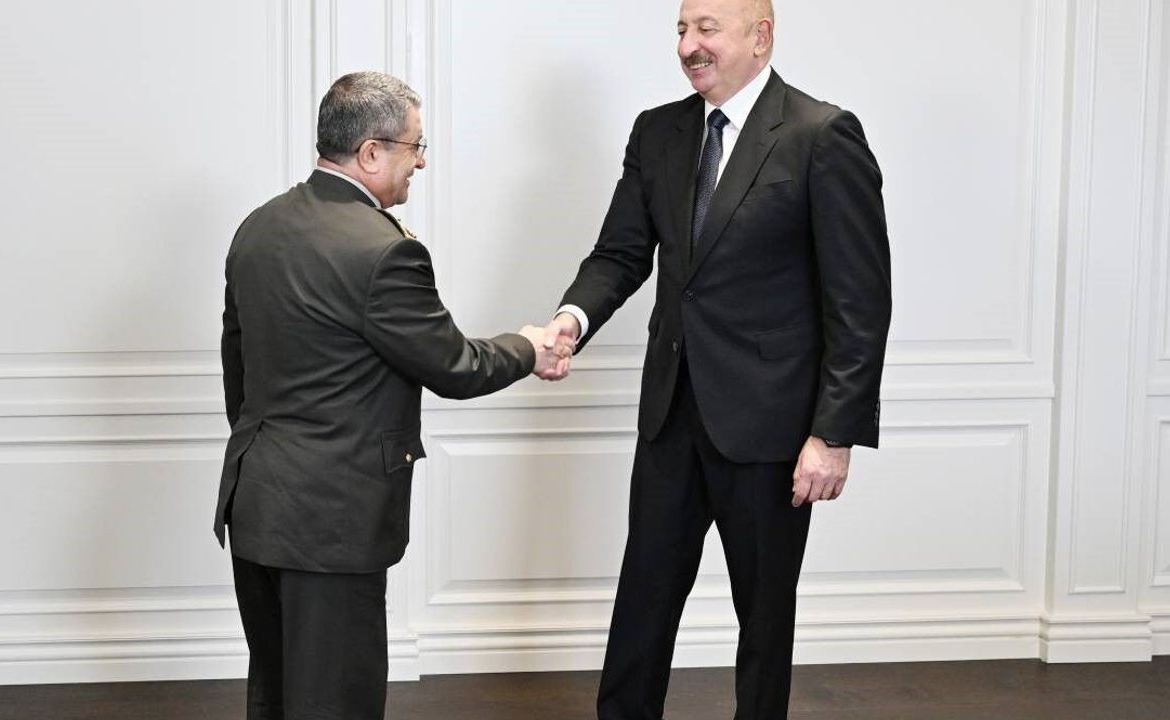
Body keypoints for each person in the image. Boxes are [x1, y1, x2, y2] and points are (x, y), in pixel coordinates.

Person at [538, 1, 892, 717]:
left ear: (761, 37)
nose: (688, 45)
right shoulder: (658, 132)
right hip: (671, 415)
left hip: (772, 430)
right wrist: (571, 320)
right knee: (642, 604)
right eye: (681, 29)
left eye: (706, 29)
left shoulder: (822, 134)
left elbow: (860, 302)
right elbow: (619, 254)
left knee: (764, 618)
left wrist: (834, 434)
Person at [213, 71, 555, 720]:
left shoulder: (258, 227)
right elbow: (456, 367)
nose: (421, 161)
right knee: (336, 701)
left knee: (276, 695)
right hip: (332, 520)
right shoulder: (384, 251)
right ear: (371, 152)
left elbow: (240, 370)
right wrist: (530, 347)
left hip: (256, 503)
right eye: (415, 146)